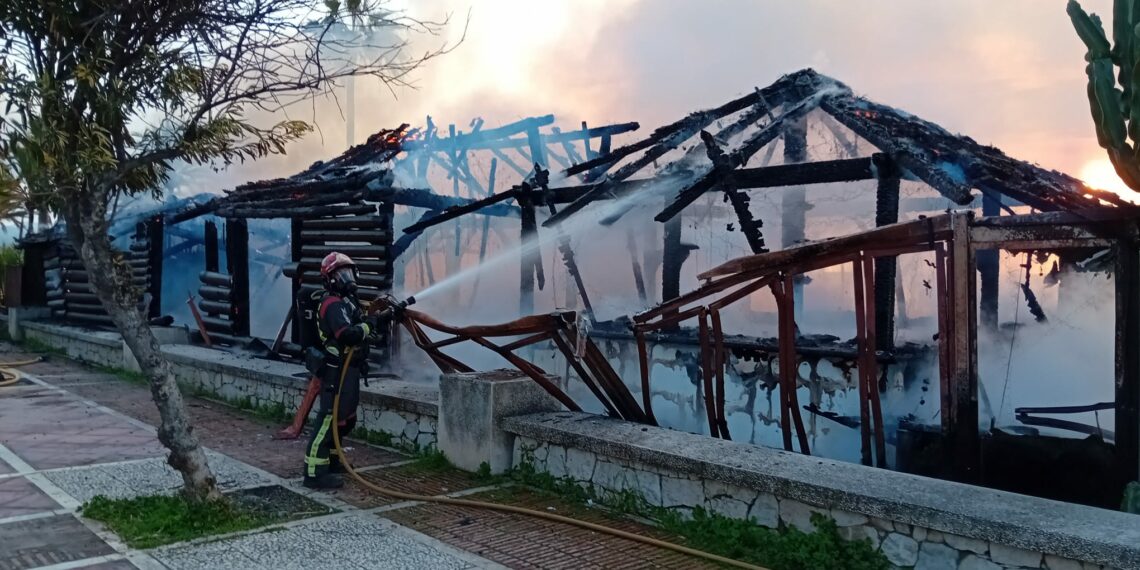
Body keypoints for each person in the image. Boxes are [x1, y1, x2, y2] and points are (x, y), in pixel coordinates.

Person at [302, 251, 400, 489]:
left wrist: (376, 322)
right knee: (329, 418)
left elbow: (362, 328)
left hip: (350, 370)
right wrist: (369, 325)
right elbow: (347, 334)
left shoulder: (347, 303)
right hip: (337, 371)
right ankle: (313, 472)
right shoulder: (331, 305)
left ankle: (333, 460)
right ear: (330, 279)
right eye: (340, 274)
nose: (346, 278)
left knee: (346, 419)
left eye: (348, 272)